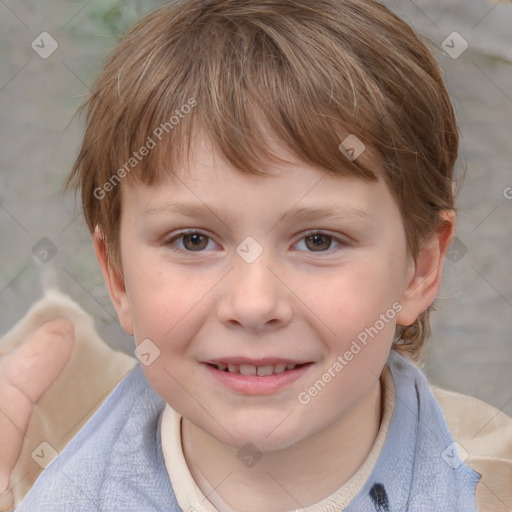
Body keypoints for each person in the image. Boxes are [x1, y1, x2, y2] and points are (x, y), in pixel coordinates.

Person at [14, 0, 512, 510]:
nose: (254, 305)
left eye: (318, 240)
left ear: (420, 268)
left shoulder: (493, 487)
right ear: (117, 276)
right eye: (193, 240)